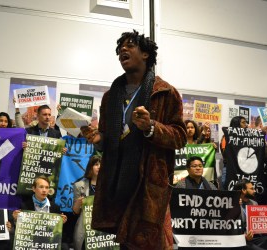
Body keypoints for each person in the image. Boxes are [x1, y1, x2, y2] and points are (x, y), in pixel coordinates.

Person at [81, 30, 187, 249]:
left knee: (149, 244)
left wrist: (151, 127)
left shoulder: (166, 93)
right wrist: (98, 138)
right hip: (116, 183)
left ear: (146, 54)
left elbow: (180, 137)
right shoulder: (111, 95)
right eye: (120, 48)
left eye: (130, 46)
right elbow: (108, 136)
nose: (123, 50)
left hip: (147, 185)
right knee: (125, 244)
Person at [12, 176, 68, 249]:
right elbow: (21, 231)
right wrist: (16, 219)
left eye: (47, 187)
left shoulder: (55, 207)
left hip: (48, 243)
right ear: (34, 189)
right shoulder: (25, 205)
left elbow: (58, 233)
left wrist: (61, 223)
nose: (44, 190)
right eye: (41, 187)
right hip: (31, 242)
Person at [233, 179, 267, 250]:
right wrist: (245, 236)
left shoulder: (254, 203)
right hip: (241, 239)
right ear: (243, 190)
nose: (255, 191)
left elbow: (260, 222)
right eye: (252, 189)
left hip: (256, 237)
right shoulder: (232, 203)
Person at [72, 155, 101, 250]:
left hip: (102, 230)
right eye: (96, 164)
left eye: (101, 164)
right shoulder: (79, 185)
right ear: (90, 167)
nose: (99, 167)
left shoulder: (109, 186)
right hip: (85, 229)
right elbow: (75, 211)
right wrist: (78, 203)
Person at [220, 116, 248, 188]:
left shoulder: (247, 138)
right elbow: (225, 154)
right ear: (236, 124)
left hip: (243, 169)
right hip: (230, 168)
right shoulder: (226, 137)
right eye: (243, 122)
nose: (246, 125)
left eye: (246, 122)